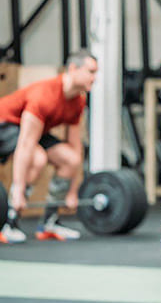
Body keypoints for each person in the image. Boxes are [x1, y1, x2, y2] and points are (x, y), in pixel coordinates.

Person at [0, 49, 98, 244]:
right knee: (37, 158)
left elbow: (75, 147)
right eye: (90, 71)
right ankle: (10, 222)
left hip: (31, 129)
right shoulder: (45, 96)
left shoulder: (77, 101)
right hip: (5, 123)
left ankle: (49, 222)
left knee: (69, 159)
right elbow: (26, 144)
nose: (94, 78)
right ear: (73, 68)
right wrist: (19, 188)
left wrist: (72, 191)